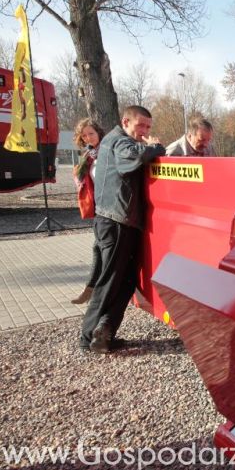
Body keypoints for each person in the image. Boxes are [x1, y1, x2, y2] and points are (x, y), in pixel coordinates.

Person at [79, 106, 165, 353]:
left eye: (149, 127)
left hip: (120, 222)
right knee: (110, 281)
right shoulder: (119, 141)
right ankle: (87, 337)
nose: (146, 131)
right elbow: (134, 157)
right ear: (126, 121)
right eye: (141, 126)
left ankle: (104, 332)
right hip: (115, 223)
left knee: (127, 281)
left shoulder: (114, 140)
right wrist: (156, 147)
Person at [71, 118, 106, 305]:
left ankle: (91, 290)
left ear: (99, 132)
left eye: (91, 133)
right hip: (99, 208)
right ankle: (91, 289)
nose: (88, 138)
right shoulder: (89, 155)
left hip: (110, 209)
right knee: (97, 248)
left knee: (100, 249)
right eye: (84, 136)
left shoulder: (107, 151)